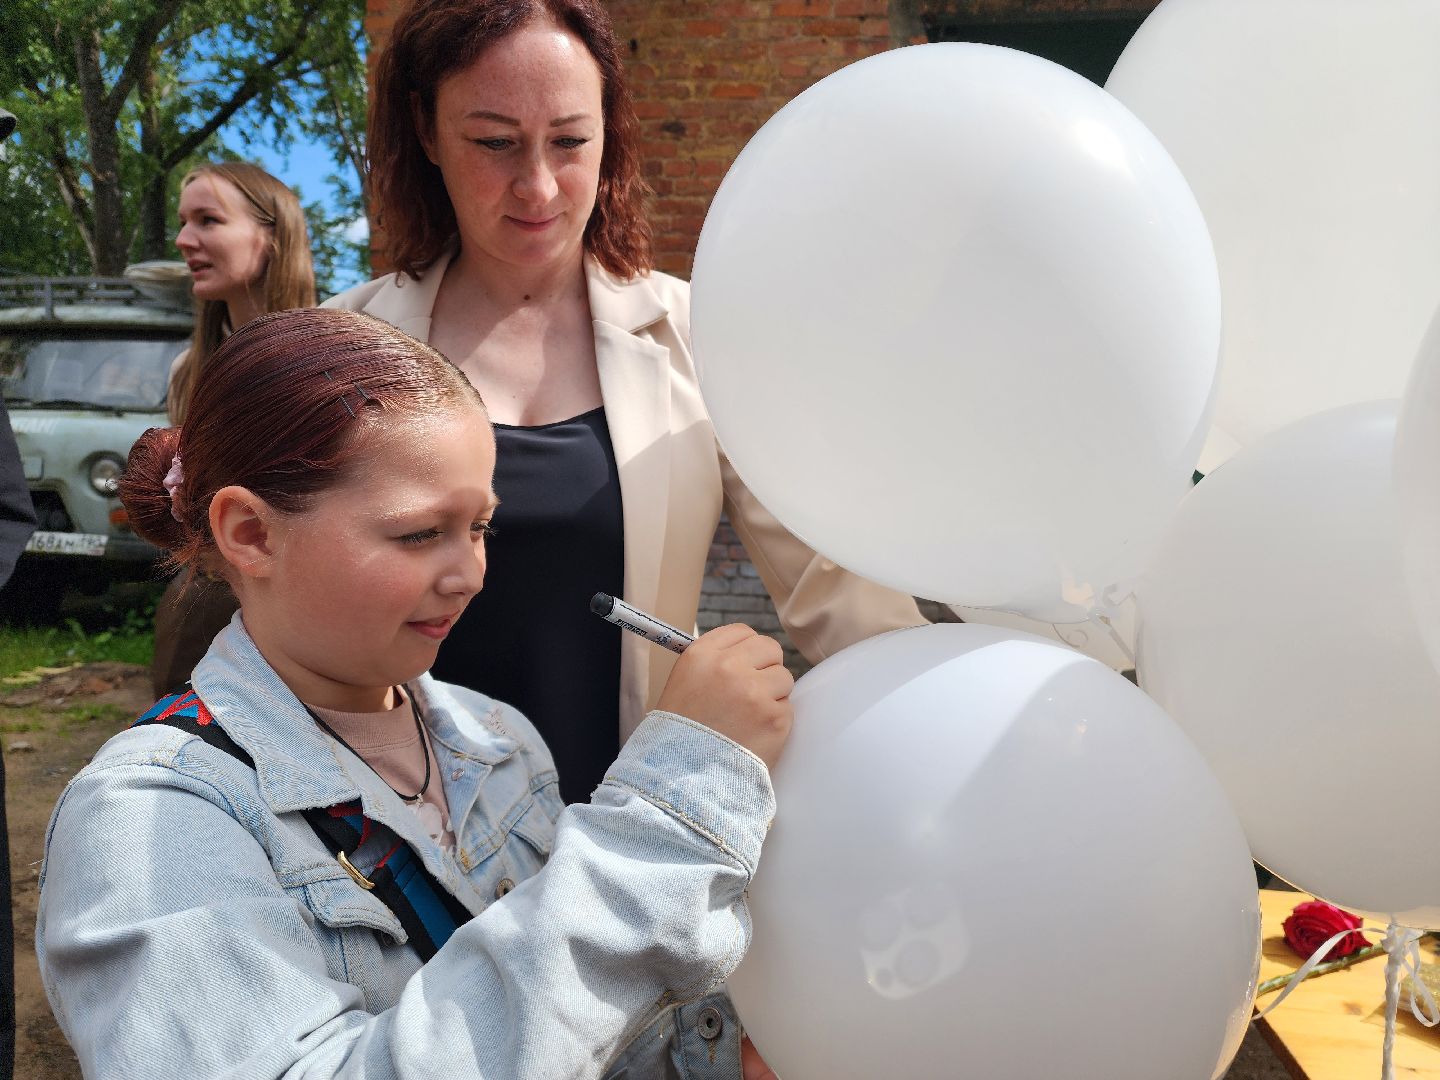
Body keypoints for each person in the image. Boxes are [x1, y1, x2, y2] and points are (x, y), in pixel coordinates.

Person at [37, 307, 792, 1079]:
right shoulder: (149, 821)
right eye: (418, 534)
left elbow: (587, 1032)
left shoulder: (500, 740)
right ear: (252, 534)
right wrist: (668, 822)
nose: (470, 574)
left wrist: (709, 1054)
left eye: (480, 527)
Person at [325, 0, 926, 806]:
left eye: (570, 141)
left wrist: (959, 718)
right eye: (494, 142)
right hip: (395, 844)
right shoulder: (340, 343)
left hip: (625, 838)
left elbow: (838, 596)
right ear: (427, 134)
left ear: (610, 134)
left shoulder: (699, 336)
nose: (537, 185)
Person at [151, 161, 317, 697]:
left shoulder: (331, 358)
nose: (183, 239)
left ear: (271, 236)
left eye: (208, 220)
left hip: (314, 627)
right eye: (183, 221)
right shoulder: (189, 370)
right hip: (207, 618)